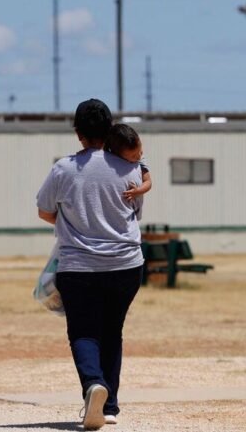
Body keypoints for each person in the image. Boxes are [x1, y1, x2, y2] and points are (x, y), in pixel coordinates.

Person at [36, 99, 144, 430]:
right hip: (126, 264)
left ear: (78, 134)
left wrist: (67, 221)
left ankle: (93, 385)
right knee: (113, 330)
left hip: (78, 266)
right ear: (110, 129)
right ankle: (109, 407)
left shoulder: (63, 169)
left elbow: (43, 210)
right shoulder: (131, 169)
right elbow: (135, 214)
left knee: (83, 331)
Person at [105, 123, 152, 204]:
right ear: (117, 155)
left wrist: (138, 191)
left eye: (140, 151)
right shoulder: (109, 157)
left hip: (134, 211)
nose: (139, 156)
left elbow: (148, 182)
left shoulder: (140, 161)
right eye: (133, 156)